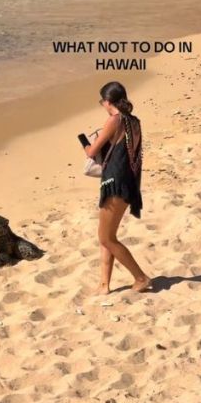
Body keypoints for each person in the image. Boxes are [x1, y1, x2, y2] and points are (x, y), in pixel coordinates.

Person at [83, 81, 152, 294]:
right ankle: (104, 285)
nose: (103, 105)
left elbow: (92, 152)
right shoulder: (134, 121)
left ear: (107, 101)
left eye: (102, 102)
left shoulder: (114, 120)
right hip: (128, 182)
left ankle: (140, 277)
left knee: (106, 238)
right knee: (107, 236)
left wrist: (84, 143)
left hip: (115, 183)